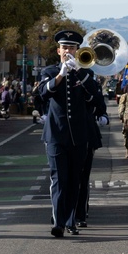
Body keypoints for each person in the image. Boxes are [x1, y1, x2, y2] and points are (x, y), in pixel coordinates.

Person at [35, 30, 97, 237]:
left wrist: (78, 71)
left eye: (72, 47)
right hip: (55, 135)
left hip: (79, 135)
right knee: (59, 179)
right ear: (58, 50)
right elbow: (44, 93)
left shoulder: (86, 72)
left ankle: (71, 220)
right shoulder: (50, 71)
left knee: (74, 180)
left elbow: (94, 97)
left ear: (77, 50)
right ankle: (59, 222)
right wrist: (61, 74)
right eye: (65, 48)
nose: (68, 51)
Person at [74, 75, 108, 228]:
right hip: (65, 134)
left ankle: (80, 213)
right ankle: (63, 213)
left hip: (87, 133)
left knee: (82, 177)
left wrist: (103, 116)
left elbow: (100, 104)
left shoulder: (90, 82)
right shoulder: (57, 76)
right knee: (63, 178)